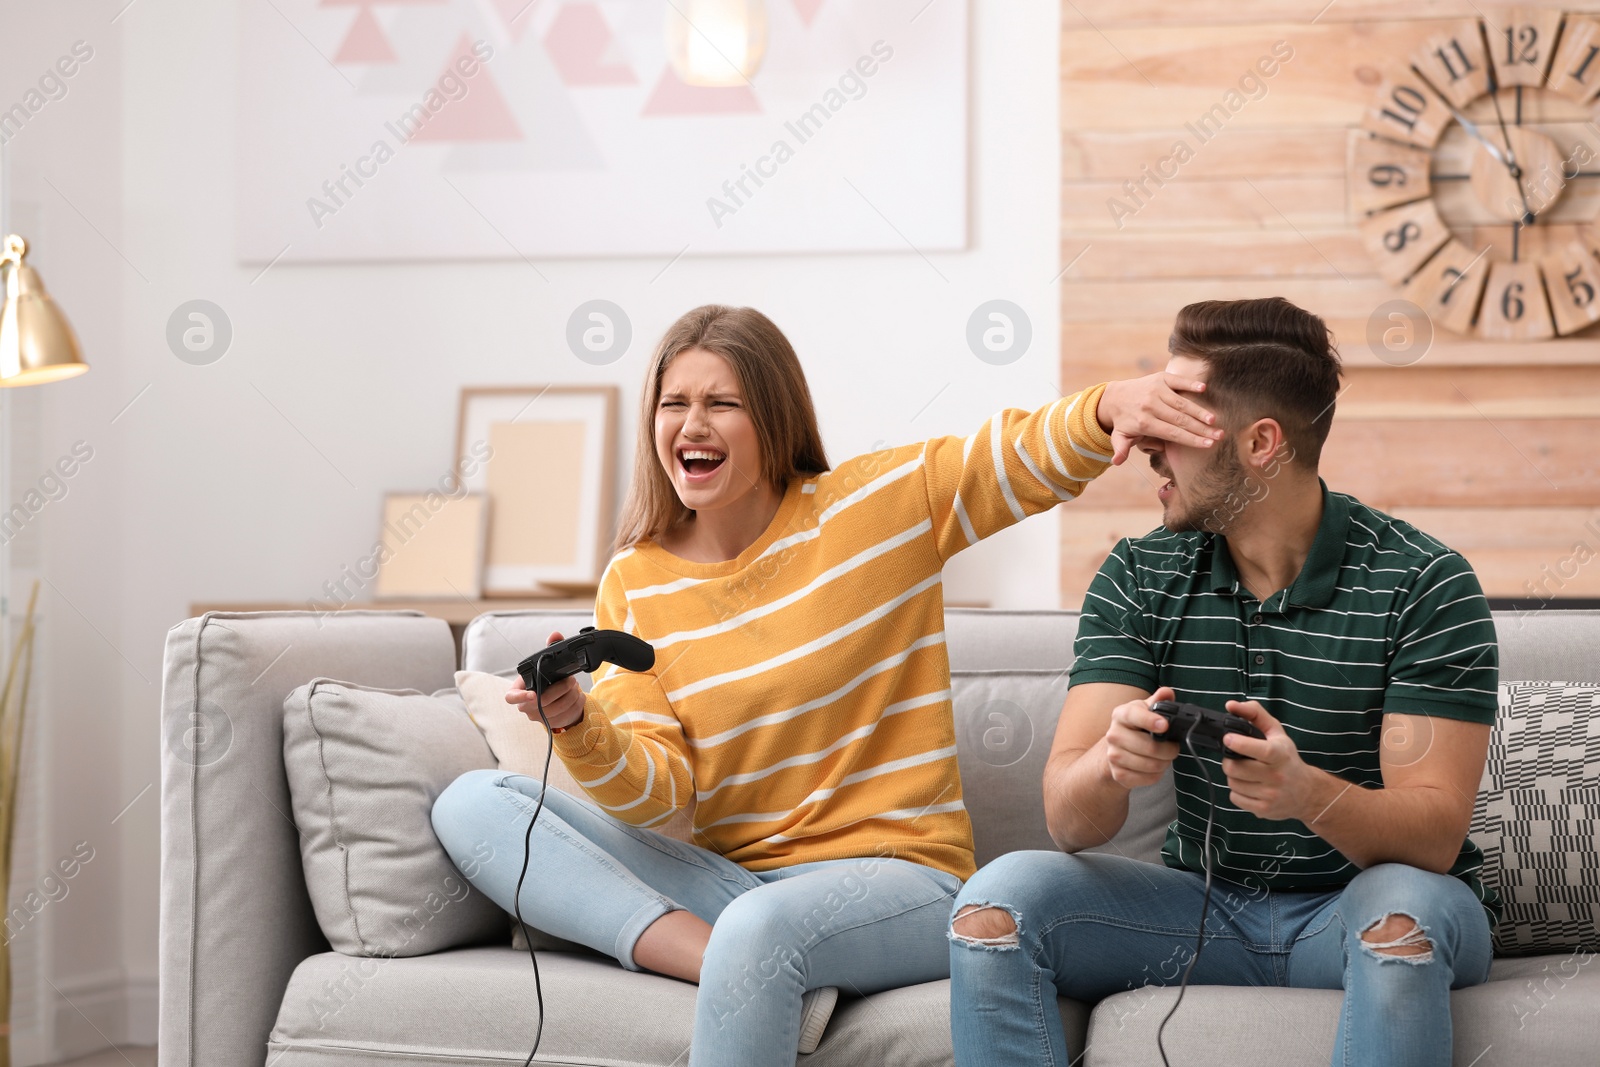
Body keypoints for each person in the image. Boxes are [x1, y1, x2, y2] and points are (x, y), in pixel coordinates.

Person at [430, 304, 1221, 1066]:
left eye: (721, 403)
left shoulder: (871, 508)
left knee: (760, 929)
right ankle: (729, 963)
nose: (691, 424)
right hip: (734, 885)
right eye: (674, 403)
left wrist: (1105, 408)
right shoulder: (636, 579)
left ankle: (752, 956)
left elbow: (1005, 460)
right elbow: (657, 793)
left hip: (897, 876)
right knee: (474, 803)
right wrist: (577, 723)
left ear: (771, 419)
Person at [947, 297, 1500, 1067]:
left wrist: (1307, 793)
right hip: (1200, 910)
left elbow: (1435, 836)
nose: (1141, 445)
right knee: (996, 904)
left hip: (1363, 906)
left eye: (1171, 422)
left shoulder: (1423, 583)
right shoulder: (1140, 574)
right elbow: (1069, 821)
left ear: (1262, 442)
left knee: (1401, 920)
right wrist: (1111, 765)